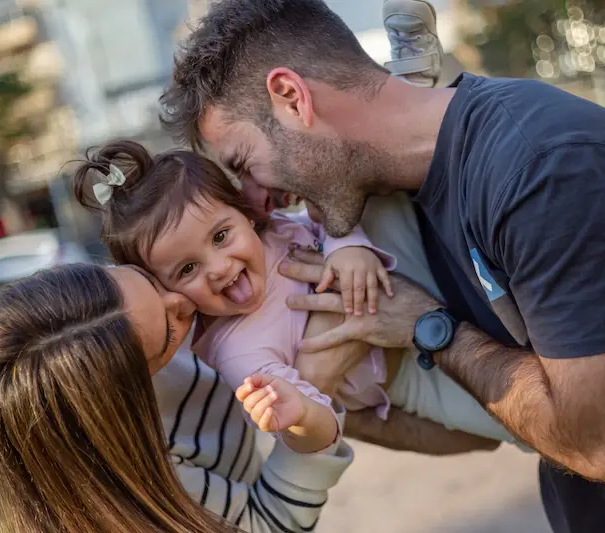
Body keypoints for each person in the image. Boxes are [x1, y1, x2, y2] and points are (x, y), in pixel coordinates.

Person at [161, 0, 605, 531]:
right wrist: (315, 381)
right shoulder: (389, 188)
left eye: (245, 163)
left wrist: (427, 326)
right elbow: (476, 433)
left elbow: (603, 445)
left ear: (292, 97)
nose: (255, 200)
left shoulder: (540, 169)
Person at [71, 139, 524, 450]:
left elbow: (327, 218)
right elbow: (317, 427)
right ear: (167, 289)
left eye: (221, 236)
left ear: (245, 214)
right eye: (187, 269)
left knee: (511, 334)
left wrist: (347, 245)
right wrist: (300, 416)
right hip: (407, 381)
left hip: (414, 287)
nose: (219, 267)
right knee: (517, 420)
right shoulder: (237, 352)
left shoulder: (275, 235)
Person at [0, 263, 352, 533]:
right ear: (127, 393)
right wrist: (313, 386)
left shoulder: (105, 314)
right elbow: (269, 523)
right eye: (169, 329)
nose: (183, 301)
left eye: (149, 279)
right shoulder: (143, 469)